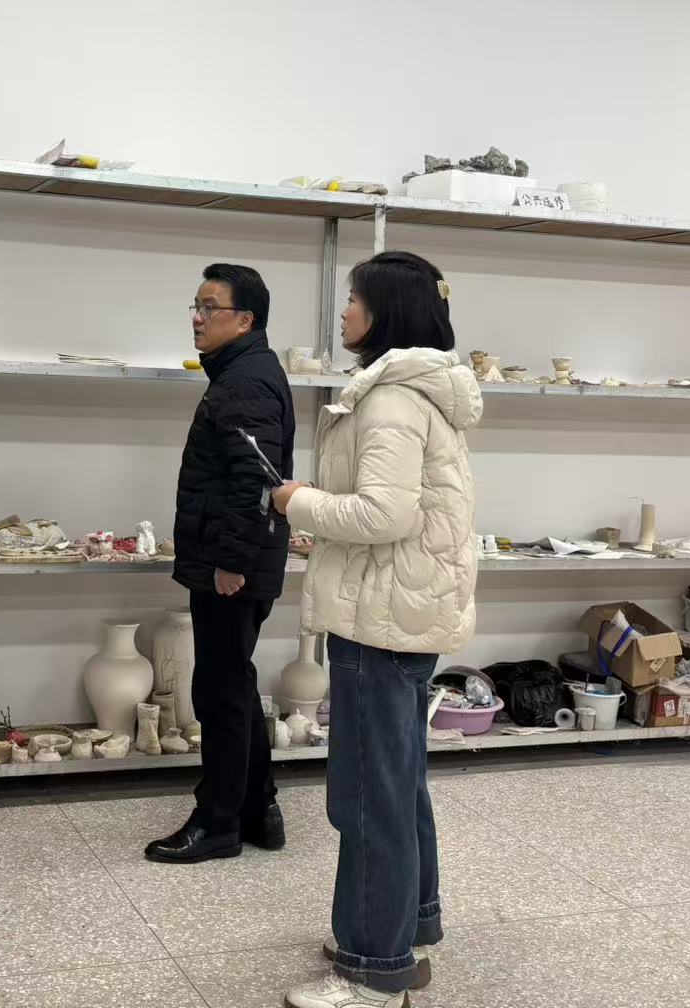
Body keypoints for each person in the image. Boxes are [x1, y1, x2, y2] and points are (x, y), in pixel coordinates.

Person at [270, 251, 480, 1008]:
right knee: (398, 782)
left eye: (353, 298)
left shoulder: (390, 398)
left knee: (367, 795)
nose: (344, 310)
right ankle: (405, 927)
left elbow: (383, 514)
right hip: (399, 609)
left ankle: (372, 965)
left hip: (382, 619)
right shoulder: (418, 390)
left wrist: (295, 500)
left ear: (384, 310)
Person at [145, 263, 295, 864]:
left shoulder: (245, 381)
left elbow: (254, 481)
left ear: (245, 319)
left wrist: (230, 561)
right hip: (234, 557)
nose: (198, 318)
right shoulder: (243, 371)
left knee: (219, 692)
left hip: (232, 564)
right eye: (196, 306)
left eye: (211, 308)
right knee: (234, 683)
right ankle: (259, 810)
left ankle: (218, 823)